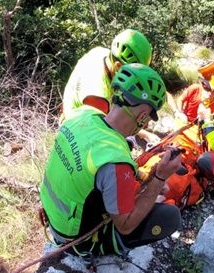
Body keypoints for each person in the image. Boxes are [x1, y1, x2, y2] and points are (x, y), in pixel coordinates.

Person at [40, 64, 182, 257]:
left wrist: (145, 177)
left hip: (54, 218)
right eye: (148, 118)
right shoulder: (115, 161)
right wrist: (159, 178)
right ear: (142, 116)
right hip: (76, 241)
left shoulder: (83, 114)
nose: (147, 123)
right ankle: (102, 251)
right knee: (169, 217)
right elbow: (125, 225)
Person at [62, 29, 161, 144]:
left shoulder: (101, 52)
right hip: (77, 133)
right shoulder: (98, 98)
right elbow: (108, 126)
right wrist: (145, 134)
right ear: (118, 67)